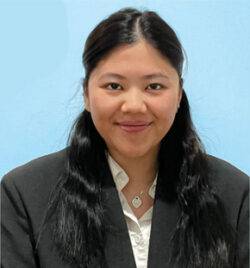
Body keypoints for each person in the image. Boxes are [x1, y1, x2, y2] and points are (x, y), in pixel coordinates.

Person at [1, 7, 249, 268]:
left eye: (154, 86)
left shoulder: (235, 197)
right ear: (86, 94)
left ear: (178, 95)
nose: (133, 105)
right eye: (114, 86)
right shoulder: (25, 197)